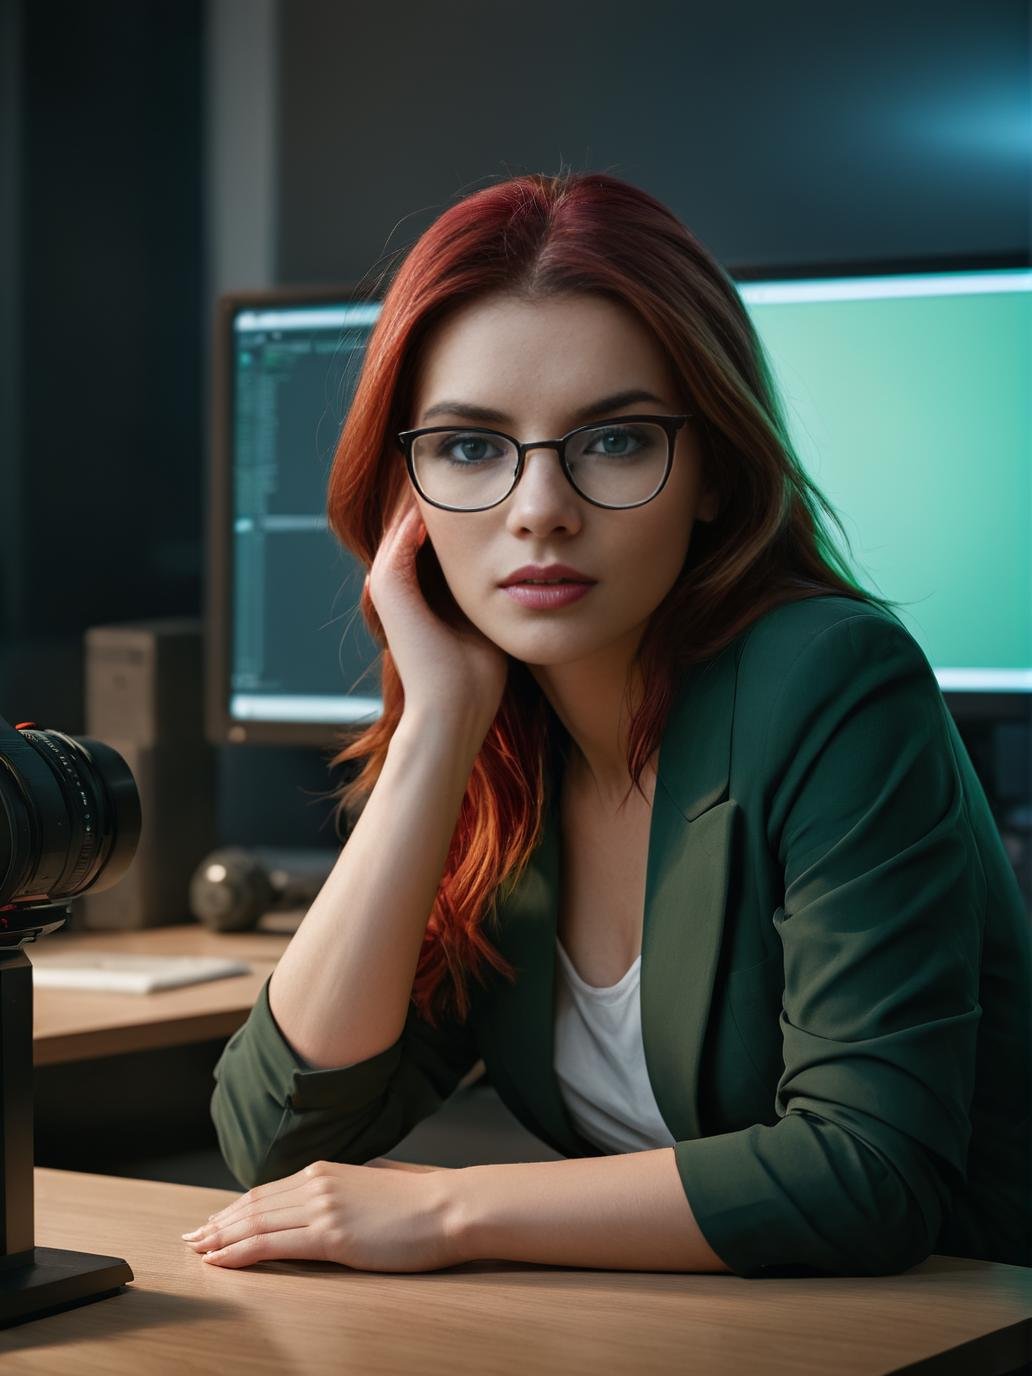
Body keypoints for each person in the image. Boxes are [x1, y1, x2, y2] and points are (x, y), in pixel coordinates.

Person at [195, 170, 1030, 1280]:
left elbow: (868, 1170)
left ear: (714, 476)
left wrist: (453, 1210)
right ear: (408, 497)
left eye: (616, 440)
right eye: (469, 447)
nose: (539, 506)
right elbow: (280, 1137)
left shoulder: (833, 682)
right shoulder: (500, 747)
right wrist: (433, 729)